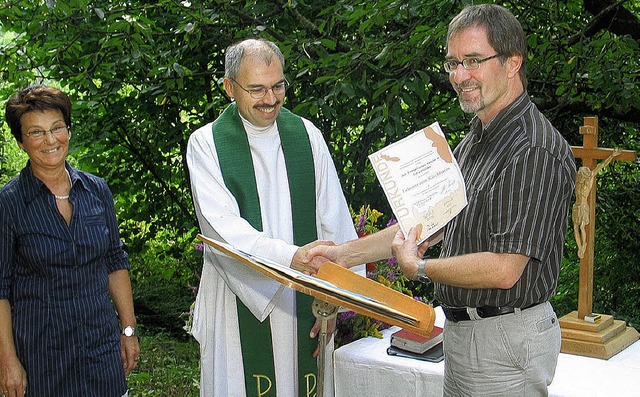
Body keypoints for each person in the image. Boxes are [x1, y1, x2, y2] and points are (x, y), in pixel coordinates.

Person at [306, 4, 576, 396]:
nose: (459, 76)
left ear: (512, 63)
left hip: (504, 340)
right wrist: (344, 256)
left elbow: (504, 269)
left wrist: (421, 267)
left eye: (473, 61)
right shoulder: (475, 139)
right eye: (453, 63)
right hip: (468, 335)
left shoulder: (532, 148)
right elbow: (424, 225)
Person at [186, 38, 360, 397]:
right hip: (237, 303)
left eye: (277, 85)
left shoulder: (307, 136)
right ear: (229, 87)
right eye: (257, 89)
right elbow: (223, 231)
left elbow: (335, 222)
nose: (270, 99)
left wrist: (333, 303)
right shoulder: (206, 145)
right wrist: (290, 258)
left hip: (308, 300)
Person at [0, 85, 139, 397]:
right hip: (40, 356)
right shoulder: (8, 204)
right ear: (21, 143)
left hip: (100, 351)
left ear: (68, 131)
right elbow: (0, 289)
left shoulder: (97, 191)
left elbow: (115, 261)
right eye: (36, 132)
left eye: (57, 128)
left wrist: (128, 329)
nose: (50, 141)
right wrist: (7, 360)